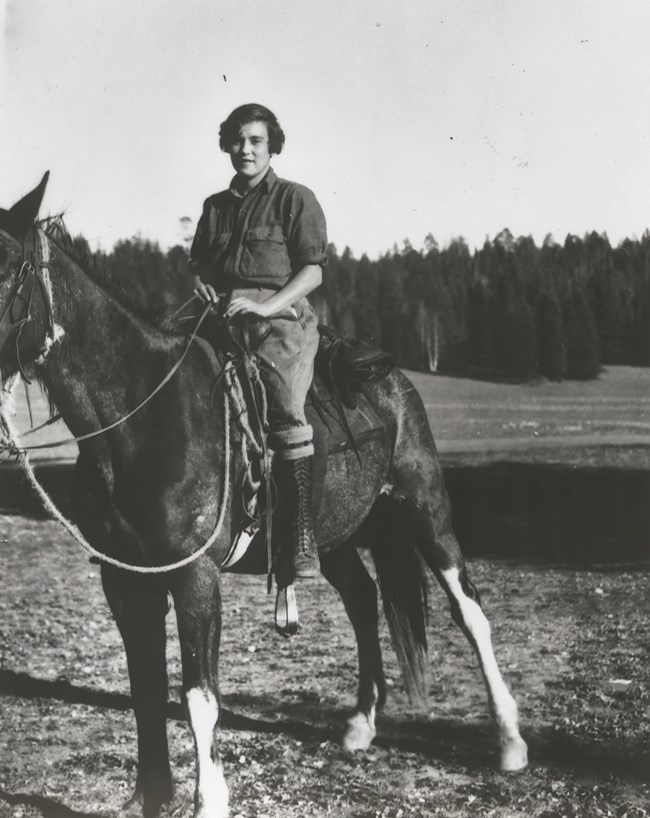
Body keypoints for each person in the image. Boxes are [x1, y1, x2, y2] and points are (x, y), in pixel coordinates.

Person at [189, 103, 327, 585]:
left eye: (255, 141)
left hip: (280, 320)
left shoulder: (294, 199)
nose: (244, 149)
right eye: (237, 140)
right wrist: (202, 288)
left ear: (272, 147)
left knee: (287, 404)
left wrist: (266, 307)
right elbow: (201, 269)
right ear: (226, 143)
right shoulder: (214, 207)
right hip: (221, 317)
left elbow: (313, 270)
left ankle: (302, 535)